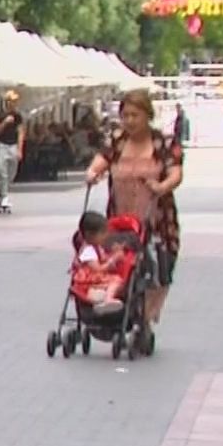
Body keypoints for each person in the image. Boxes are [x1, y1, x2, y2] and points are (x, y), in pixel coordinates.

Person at [84, 88, 184, 325]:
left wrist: (162, 186)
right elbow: (101, 161)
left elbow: (176, 173)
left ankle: (145, 317)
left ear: (147, 115)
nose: (129, 121)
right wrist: (93, 172)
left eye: (135, 115)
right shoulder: (117, 141)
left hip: (156, 218)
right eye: (125, 115)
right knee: (119, 264)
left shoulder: (163, 143)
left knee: (157, 268)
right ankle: (118, 311)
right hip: (120, 218)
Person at [0, 89, 26, 212]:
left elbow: (21, 132)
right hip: (2, 145)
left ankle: (1, 194)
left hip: (13, 146)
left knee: (11, 173)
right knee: (1, 171)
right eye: (12, 101)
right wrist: (5, 123)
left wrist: (20, 149)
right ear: (7, 102)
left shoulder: (18, 116)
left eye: (15, 101)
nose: (14, 103)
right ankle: (5, 197)